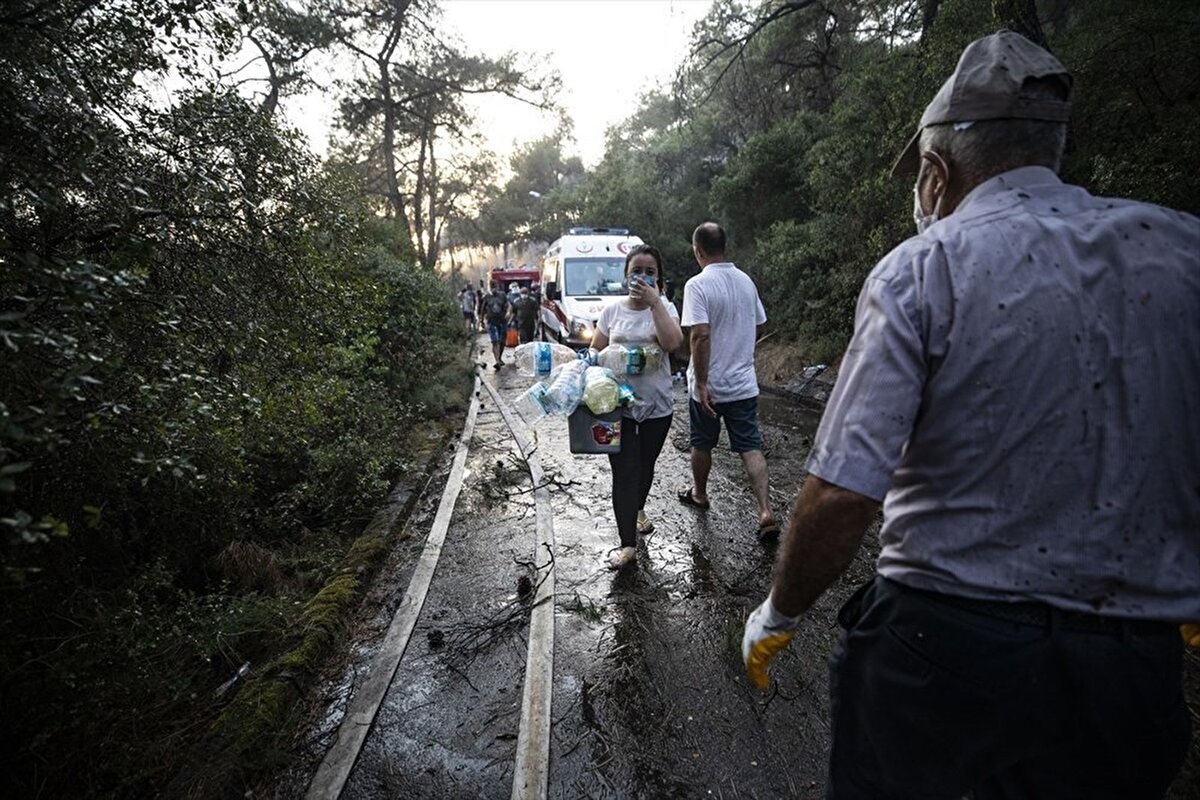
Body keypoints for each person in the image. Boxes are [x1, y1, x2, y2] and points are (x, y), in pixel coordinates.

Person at [742, 31, 1199, 799]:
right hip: (1127, 670)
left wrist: (780, 611)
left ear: (933, 173)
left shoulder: (925, 268)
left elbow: (845, 493)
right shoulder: (1181, 250)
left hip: (941, 658)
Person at [678, 222, 780, 539]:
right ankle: (765, 511)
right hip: (743, 384)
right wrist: (740, 347)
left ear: (698, 250)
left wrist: (702, 383)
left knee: (702, 442)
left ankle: (700, 493)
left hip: (711, 387)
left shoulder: (697, 285)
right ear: (726, 247)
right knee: (750, 447)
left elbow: (700, 336)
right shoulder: (745, 281)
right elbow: (761, 326)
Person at [592, 244, 683, 570]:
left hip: (657, 407)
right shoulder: (612, 312)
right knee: (624, 472)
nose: (642, 277)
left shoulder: (666, 308)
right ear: (625, 275)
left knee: (645, 467)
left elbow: (673, 344)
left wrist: (655, 302)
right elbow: (595, 353)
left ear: (658, 277)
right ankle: (627, 543)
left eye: (649, 272)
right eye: (636, 271)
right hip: (619, 408)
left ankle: (638, 508)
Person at [482, 283, 511, 370]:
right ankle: (497, 361)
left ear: (497, 288)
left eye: (494, 287)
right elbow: (482, 309)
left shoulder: (502, 295)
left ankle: (499, 357)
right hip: (491, 322)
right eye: (492, 288)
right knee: (495, 341)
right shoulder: (486, 297)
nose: (493, 289)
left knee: (502, 341)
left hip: (502, 321)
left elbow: (509, 305)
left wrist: (508, 312)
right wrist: (481, 321)